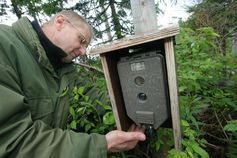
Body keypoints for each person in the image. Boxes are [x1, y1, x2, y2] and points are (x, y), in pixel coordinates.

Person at [0, 10, 146, 158]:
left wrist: (133, 110)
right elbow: (14, 141)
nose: (83, 51)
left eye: (86, 46)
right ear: (60, 22)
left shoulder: (64, 69)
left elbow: (93, 95)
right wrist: (103, 144)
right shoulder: (5, 44)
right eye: (81, 40)